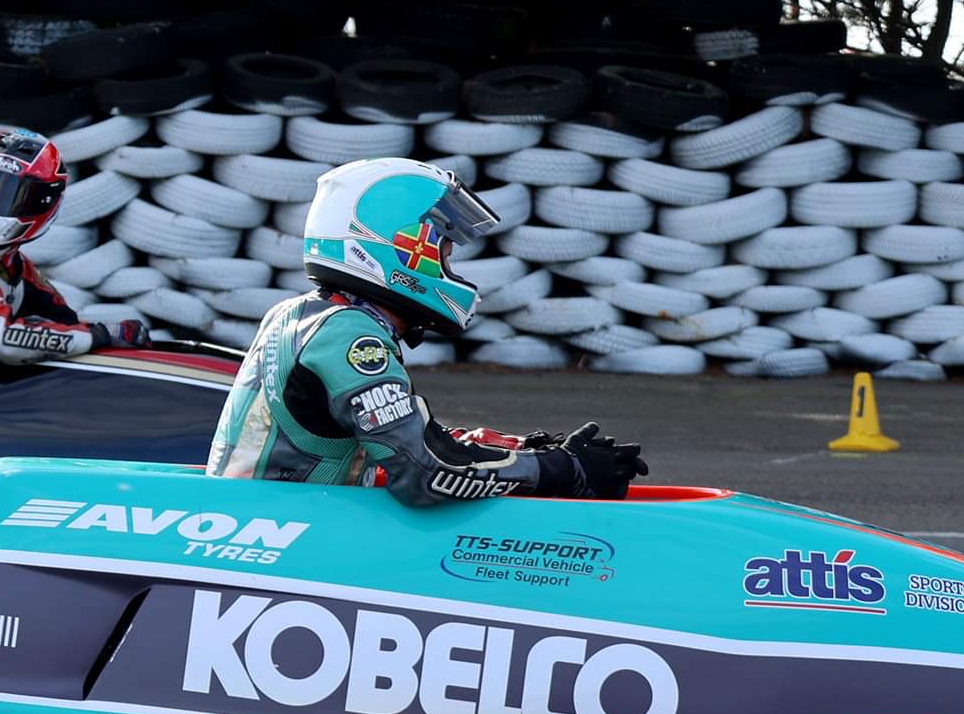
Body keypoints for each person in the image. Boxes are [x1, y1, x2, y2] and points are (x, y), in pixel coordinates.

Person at [208, 157, 648, 504]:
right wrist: (557, 471)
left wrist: (523, 450)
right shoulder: (348, 336)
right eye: (443, 250)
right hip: (289, 541)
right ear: (394, 243)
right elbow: (423, 474)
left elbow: (390, 439)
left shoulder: (306, 314)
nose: (449, 268)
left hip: (275, 524)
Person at [0, 129, 150, 361]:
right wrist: (99, 335)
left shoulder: (18, 271)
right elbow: (0, 339)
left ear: (45, 202)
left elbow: (66, 324)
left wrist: (110, 332)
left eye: (13, 197)